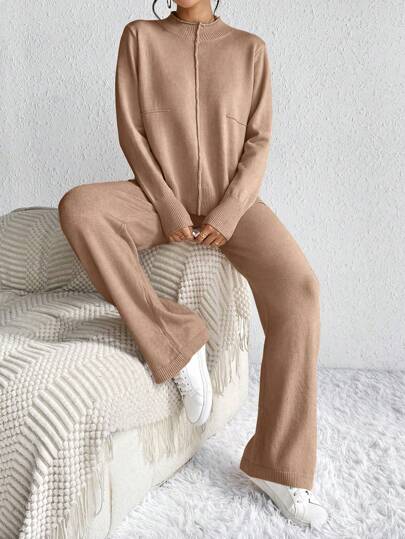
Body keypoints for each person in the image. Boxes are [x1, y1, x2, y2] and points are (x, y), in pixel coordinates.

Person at [58, 0, 329, 528]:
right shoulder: (139, 37)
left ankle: (280, 466)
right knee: (81, 208)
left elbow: (258, 143)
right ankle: (177, 339)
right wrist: (166, 203)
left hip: (235, 206)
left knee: (300, 290)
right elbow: (132, 131)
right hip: (158, 201)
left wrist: (229, 211)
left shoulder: (251, 50)